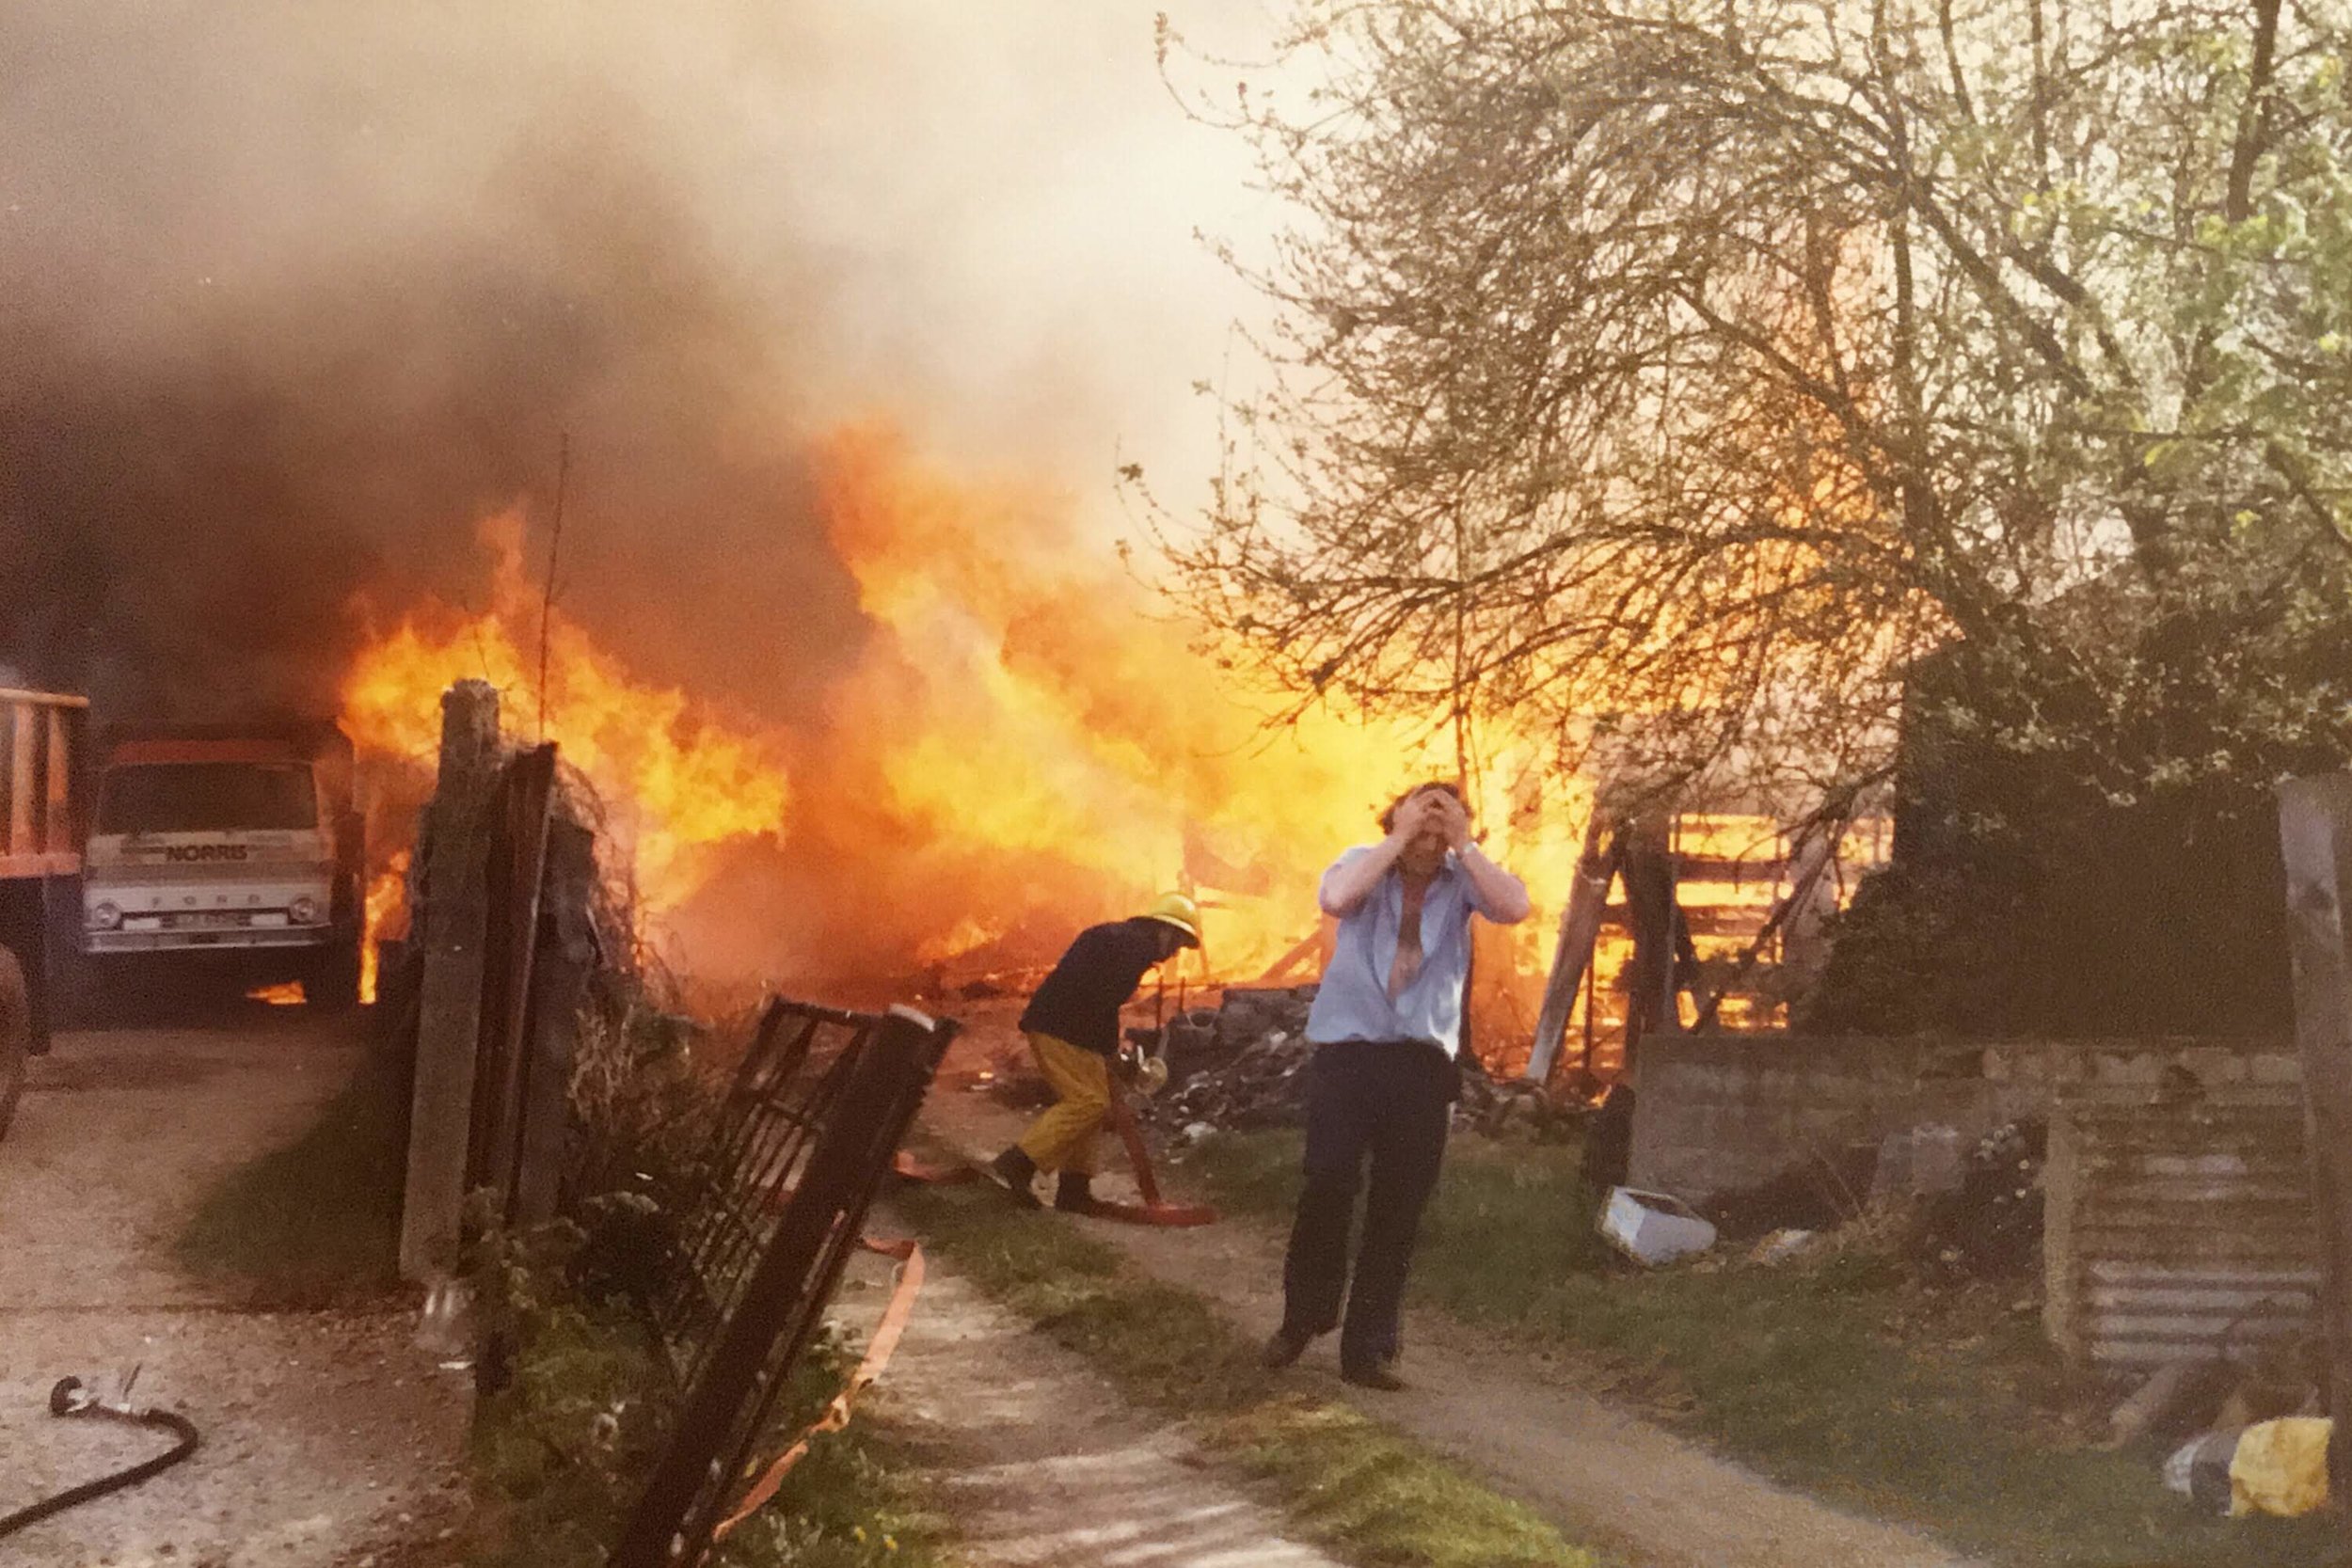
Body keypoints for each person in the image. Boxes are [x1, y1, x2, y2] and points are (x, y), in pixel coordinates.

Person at [1261, 781, 1531, 1389]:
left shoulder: (1464, 879)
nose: (1429, 841)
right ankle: (1302, 1316)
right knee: (1327, 1180)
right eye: (1421, 827)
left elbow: (1514, 906)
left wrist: (1465, 843)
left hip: (1420, 1062)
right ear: (1396, 822)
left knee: (1399, 1204)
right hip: (1347, 1053)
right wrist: (1398, 836)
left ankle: (1369, 1347)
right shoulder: (1362, 863)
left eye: (1443, 830)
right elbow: (1336, 898)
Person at [989, 893, 1203, 1213]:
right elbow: (1104, 1003)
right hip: (1060, 1029)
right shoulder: (1132, 949)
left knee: (1095, 1103)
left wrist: (1108, 1052)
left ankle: (1075, 1189)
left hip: (1069, 1028)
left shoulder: (1120, 939)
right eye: (1178, 942)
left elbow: (1097, 999)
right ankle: (1018, 1163)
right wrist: (1112, 1053)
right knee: (1088, 1102)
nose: (1174, 953)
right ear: (1163, 930)